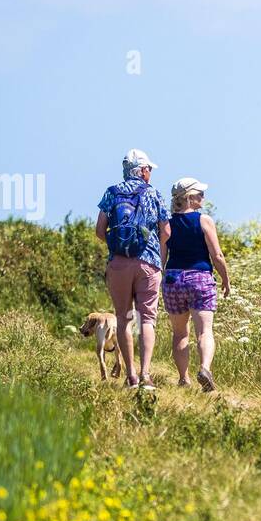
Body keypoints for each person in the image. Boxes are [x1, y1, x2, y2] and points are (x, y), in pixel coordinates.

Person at [95, 148, 170, 390]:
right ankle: (146, 375)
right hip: (148, 262)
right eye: (149, 169)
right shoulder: (154, 194)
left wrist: (117, 249)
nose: (150, 173)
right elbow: (166, 232)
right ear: (142, 171)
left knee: (123, 318)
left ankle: (131, 376)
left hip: (118, 264)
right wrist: (159, 257)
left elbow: (99, 230)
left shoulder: (111, 192)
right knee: (147, 318)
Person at [162, 177, 230, 391]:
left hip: (173, 279)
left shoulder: (166, 223)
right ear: (190, 198)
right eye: (200, 193)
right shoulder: (204, 220)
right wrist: (226, 279)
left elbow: (162, 257)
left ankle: (183, 379)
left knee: (180, 333)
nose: (203, 196)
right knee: (204, 331)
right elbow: (217, 254)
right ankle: (204, 368)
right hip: (199, 278)